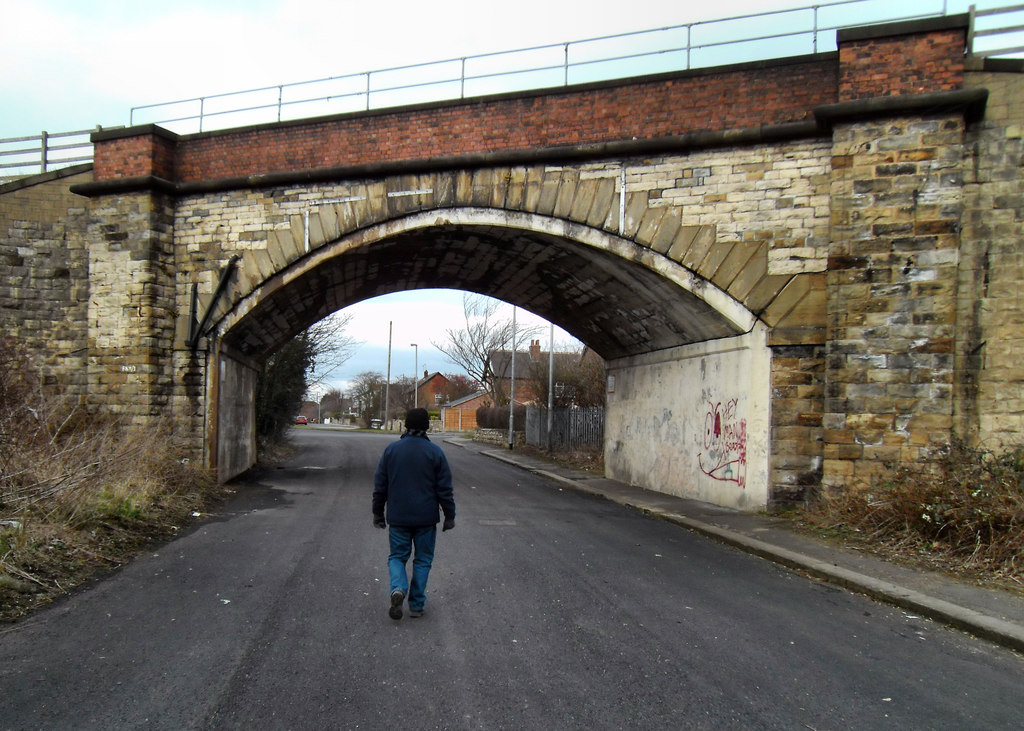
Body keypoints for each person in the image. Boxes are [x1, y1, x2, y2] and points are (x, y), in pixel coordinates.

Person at [372, 408, 455, 620]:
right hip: (426, 518)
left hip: (399, 516)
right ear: (427, 426)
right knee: (423, 559)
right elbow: (444, 489)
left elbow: (380, 486)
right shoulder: (435, 453)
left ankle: (398, 588)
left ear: (406, 425)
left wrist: (378, 513)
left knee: (397, 557)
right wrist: (449, 515)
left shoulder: (392, 450)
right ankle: (416, 605)